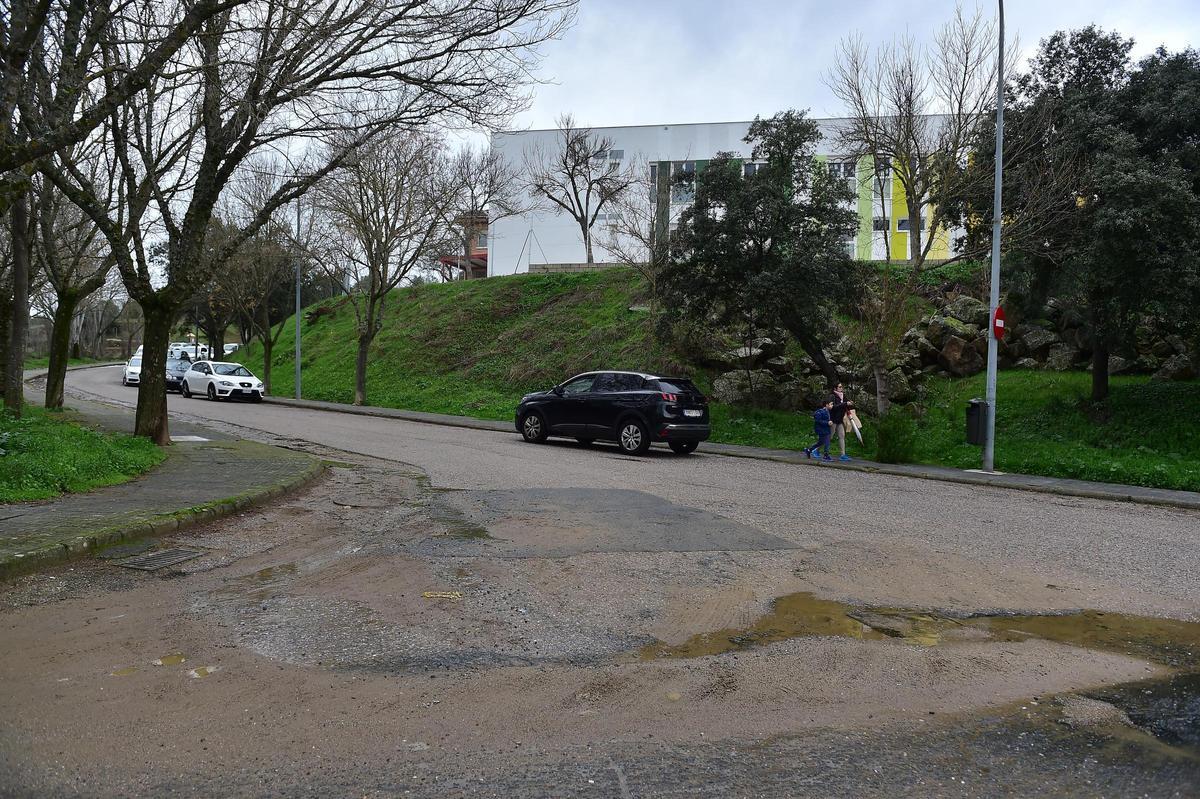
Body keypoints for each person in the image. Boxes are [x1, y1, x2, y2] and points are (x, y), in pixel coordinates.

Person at [829, 382, 854, 462]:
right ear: (835, 388)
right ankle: (815, 449)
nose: (841, 388)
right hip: (833, 419)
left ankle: (843, 455)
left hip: (839, 420)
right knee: (829, 437)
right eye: (839, 387)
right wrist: (844, 403)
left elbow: (845, 406)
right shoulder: (832, 396)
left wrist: (849, 404)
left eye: (841, 387)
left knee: (842, 436)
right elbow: (833, 407)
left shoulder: (843, 396)